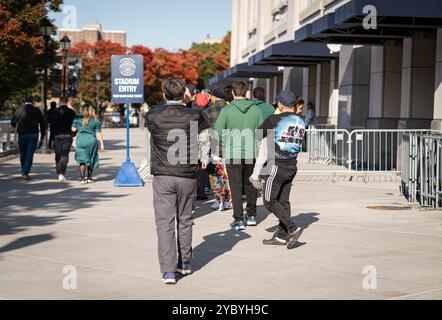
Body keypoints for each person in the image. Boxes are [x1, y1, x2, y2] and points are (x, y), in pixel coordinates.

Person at [146, 78, 211, 285]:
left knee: (165, 222)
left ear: (164, 94)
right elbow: (205, 135)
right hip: (187, 174)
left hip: (164, 174)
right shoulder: (194, 115)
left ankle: (168, 270)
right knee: (185, 219)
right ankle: (184, 262)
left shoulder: (153, 115)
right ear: (184, 93)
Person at [249, 90, 305, 250]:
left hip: (276, 165)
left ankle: (292, 228)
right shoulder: (301, 121)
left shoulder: (274, 119)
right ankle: (281, 235)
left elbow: (258, 135)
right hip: (292, 165)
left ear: (280, 104)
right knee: (283, 201)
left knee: (269, 201)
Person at [215, 80, 263, 231]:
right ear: (246, 92)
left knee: (235, 187)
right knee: (251, 185)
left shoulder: (227, 111)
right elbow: (261, 132)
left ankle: (238, 219)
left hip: (233, 153)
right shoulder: (256, 110)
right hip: (251, 153)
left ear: (233, 93)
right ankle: (252, 216)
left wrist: (222, 147)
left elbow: (218, 132)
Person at [11, 96, 46, 180]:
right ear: (33, 101)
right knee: (29, 153)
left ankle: (24, 169)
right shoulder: (36, 110)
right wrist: (42, 135)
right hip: (33, 134)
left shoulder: (19, 109)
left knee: (23, 153)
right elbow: (42, 123)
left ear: (25, 100)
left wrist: (16, 124)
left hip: (22, 134)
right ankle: (25, 172)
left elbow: (13, 122)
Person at [72, 105, 104, 184]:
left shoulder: (77, 119)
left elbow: (73, 129)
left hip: (81, 140)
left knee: (82, 160)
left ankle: (82, 179)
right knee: (91, 158)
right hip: (91, 141)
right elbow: (98, 132)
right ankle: (89, 178)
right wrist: (102, 143)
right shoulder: (95, 120)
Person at [51, 97, 77, 182]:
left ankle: (59, 172)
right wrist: (73, 134)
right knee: (65, 154)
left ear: (59, 102)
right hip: (67, 135)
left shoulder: (54, 112)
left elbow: (52, 125)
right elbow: (75, 125)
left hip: (57, 135)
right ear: (67, 102)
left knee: (58, 154)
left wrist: (51, 138)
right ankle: (62, 173)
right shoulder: (72, 112)